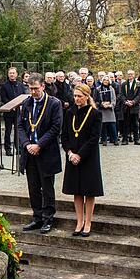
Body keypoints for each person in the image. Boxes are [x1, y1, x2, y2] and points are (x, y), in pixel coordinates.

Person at [18, 73, 63, 234]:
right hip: (29, 152)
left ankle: (48, 218)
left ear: (43, 86)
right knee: (33, 187)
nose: (33, 92)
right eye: (31, 89)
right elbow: (21, 127)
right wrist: (26, 144)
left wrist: (39, 145)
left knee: (47, 187)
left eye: (36, 88)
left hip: (46, 152)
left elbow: (55, 128)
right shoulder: (27, 103)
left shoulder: (54, 103)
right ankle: (37, 216)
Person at [61, 84, 103, 237]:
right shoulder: (69, 113)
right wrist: (70, 153)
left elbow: (94, 138)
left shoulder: (95, 114)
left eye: (79, 96)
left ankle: (88, 221)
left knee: (88, 191)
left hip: (88, 157)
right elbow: (64, 135)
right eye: (75, 96)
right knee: (76, 191)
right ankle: (79, 221)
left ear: (87, 96)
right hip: (72, 157)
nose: (76, 99)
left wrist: (80, 155)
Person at [0, 67, 26, 156]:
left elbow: (24, 96)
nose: (12, 75)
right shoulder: (4, 85)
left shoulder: (20, 85)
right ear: (8, 74)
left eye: (13, 73)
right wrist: (11, 105)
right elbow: (3, 98)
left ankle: (18, 148)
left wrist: (20, 105)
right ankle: (8, 149)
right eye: (10, 73)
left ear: (16, 74)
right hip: (9, 111)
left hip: (18, 112)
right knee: (8, 130)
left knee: (18, 130)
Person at [94, 75, 118, 145]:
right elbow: (95, 100)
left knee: (112, 125)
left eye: (107, 80)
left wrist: (111, 105)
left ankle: (115, 139)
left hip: (110, 109)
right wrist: (102, 104)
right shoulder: (98, 89)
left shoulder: (111, 89)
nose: (105, 81)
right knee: (103, 126)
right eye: (104, 80)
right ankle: (104, 140)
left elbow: (114, 99)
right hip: (102, 109)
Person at [121, 70, 140, 145]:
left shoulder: (138, 84)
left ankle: (136, 139)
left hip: (134, 107)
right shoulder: (124, 84)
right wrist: (125, 102)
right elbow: (121, 95)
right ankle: (125, 139)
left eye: (131, 74)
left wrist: (133, 102)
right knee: (126, 124)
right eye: (129, 74)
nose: (130, 75)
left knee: (135, 124)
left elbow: (139, 95)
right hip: (126, 107)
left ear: (134, 75)